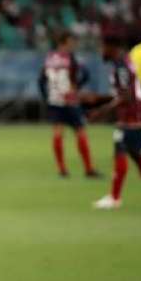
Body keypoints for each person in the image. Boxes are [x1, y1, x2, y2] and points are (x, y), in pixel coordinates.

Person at [90, 36, 141, 209]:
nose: (101, 51)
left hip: (131, 116)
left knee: (121, 149)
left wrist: (103, 110)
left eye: (103, 47)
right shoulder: (122, 63)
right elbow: (125, 92)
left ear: (112, 46)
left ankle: (115, 197)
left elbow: (126, 95)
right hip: (132, 114)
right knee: (136, 155)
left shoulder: (121, 67)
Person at [38, 32, 99, 178]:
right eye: (71, 42)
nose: (73, 45)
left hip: (54, 100)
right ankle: (88, 168)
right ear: (64, 42)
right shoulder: (70, 58)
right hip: (70, 100)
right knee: (80, 132)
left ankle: (62, 169)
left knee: (58, 134)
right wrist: (76, 86)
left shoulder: (49, 58)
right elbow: (85, 74)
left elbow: (41, 80)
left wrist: (46, 97)